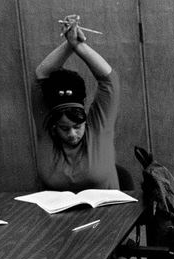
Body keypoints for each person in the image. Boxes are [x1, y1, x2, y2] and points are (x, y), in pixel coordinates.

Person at [32, 14, 119, 191]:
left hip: (108, 215)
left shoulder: (98, 127)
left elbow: (109, 80)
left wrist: (78, 45)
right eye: (64, 128)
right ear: (54, 126)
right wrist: (68, 43)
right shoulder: (46, 128)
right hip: (58, 218)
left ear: (85, 121)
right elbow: (40, 75)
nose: (72, 134)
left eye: (77, 126)